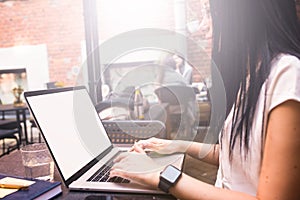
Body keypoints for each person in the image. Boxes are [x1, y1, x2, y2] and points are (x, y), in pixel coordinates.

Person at [110, 0, 300, 199]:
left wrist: (161, 174)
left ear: (243, 16)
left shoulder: (287, 74)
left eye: (209, 14)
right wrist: (177, 145)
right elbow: (234, 157)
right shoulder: (250, 78)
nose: (203, 28)